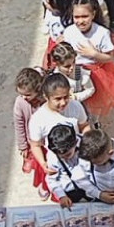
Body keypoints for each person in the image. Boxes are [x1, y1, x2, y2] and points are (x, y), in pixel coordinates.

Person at [62, 0, 114, 120]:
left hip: (96, 73)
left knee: (96, 100)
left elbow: (109, 57)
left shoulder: (102, 33)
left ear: (93, 14)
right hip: (75, 71)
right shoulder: (69, 32)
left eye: (85, 16)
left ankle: (95, 119)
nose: (80, 21)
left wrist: (94, 54)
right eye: (76, 17)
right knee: (77, 96)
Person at [28, 74, 91, 202]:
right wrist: (43, 164)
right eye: (57, 99)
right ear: (46, 97)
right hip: (57, 158)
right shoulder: (38, 119)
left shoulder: (76, 106)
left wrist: (87, 145)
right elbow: (35, 145)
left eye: (66, 97)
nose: (63, 103)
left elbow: (84, 126)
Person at [13, 68, 50, 198]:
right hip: (34, 143)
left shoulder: (47, 99)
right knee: (41, 166)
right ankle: (44, 185)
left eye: (28, 95)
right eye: (21, 94)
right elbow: (19, 124)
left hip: (49, 142)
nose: (24, 97)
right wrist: (23, 145)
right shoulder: (20, 103)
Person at [46, 124, 99, 208]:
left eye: (68, 154)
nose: (65, 159)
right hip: (71, 191)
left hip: (93, 185)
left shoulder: (88, 145)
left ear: (75, 143)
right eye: (61, 157)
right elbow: (52, 179)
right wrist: (61, 195)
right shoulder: (53, 158)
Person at [42, 0, 75, 70]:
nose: (46, 4)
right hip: (53, 43)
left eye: (48, 3)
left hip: (64, 51)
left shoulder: (70, 19)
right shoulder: (50, 13)